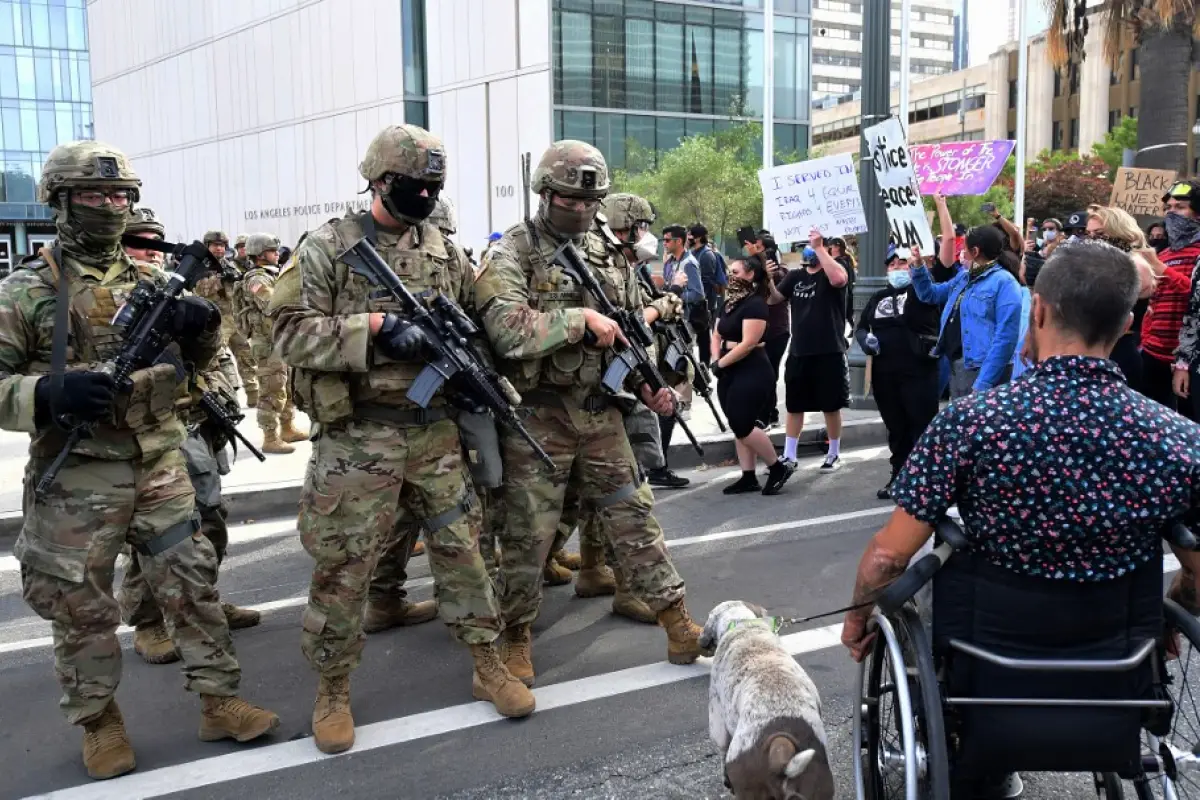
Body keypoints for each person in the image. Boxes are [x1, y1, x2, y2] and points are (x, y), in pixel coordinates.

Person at [842, 240, 1200, 798]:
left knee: (936, 585)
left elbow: (889, 557)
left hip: (987, 663)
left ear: (1037, 310)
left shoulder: (970, 424)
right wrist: (1173, 617)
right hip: (1116, 658)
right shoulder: (1178, 440)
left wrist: (858, 617)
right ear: (1128, 324)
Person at [5, 142, 278, 780]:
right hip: (76, 475)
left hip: (157, 462)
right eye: (94, 196)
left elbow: (206, 365)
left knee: (192, 586)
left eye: (120, 196)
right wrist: (45, 393)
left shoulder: (156, 283)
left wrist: (203, 329)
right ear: (61, 202)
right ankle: (99, 723)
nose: (110, 207)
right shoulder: (25, 291)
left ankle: (219, 701)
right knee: (82, 606)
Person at [271, 125, 535, 753]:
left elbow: (481, 316)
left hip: (435, 434)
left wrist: (485, 377)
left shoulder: (444, 247)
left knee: (463, 552)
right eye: (414, 185)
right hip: (359, 439)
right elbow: (285, 332)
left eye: (433, 188)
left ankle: (486, 663)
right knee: (345, 568)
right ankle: (333, 688)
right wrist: (372, 327)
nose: (424, 195)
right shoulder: (327, 247)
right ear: (379, 182)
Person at [473, 139, 708, 687]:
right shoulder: (512, 252)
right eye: (569, 201)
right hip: (538, 415)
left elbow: (627, 325)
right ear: (545, 194)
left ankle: (678, 623)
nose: (580, 211)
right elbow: (504, 328)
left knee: (635, 517)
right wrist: (576, 320)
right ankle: (515, 638)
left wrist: (648, 383)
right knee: (528, 536)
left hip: (601, 412)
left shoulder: (604, 250)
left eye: (590, 202)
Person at [117, 208, 262, 667]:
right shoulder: (115, 303)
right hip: (142, 434)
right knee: (153, 536)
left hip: (194, 423)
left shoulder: (177, 295)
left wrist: (220, 392)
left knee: (210, 521)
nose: (146, 251)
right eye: (136, 242)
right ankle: (149, 622)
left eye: (152, 241)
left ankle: (204, 600)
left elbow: (216, 356)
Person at [854, 245, 940, 500]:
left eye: (901, 263)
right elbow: (860, 326)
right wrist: (864, 339)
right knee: (896, 427)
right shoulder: (878, 296)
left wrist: (918, 268)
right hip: (885, 373)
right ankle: (899, 475)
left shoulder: (923, 293)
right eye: (891, 265)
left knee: (921, 425)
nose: (896, 269)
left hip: (918, 371)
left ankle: (924, 480)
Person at [711, 257, 795, 495]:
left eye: (735, 271)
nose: (730, 276)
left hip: (752, 369)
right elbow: (716, 334)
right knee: (737, 423)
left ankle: (777, 467)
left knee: (743, 422)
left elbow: (749, 343)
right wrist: (717, 360)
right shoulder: (728, 303)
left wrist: (721, 364)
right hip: (729, 368)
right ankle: (748, 477)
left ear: (750, 275)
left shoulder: (755, 304)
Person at [912, 224, 1022, 398]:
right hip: (958, 365)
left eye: (964, 248)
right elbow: (930, 295)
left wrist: (984, 382)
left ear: (975, 251)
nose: (960, 253)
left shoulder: (1005, 282)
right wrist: (918, 267)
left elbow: (1006, 337)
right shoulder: (964, 277)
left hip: (983, 368)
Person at [772, 229, 850, 472]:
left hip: (829, 349)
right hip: (799, 350)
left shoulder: (835, 269)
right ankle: (789, 455)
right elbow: (775, 299)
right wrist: (766, 279)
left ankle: (834, 453)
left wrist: (820, 249)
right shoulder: (796, 276)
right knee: (795, 405)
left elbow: (839, 280)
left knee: (830, 404)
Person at [235, 232, 308, 453]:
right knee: (272, 389)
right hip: (267, 343)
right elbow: (272, 304)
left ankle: (287, 427)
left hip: (280, 339)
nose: (277, 254)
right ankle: (269, 437)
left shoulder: (273, 273)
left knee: (287, 385)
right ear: (259, 254)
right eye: (271, 251)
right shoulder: (256, 278)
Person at [195, 230, 258, 408]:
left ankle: (253, 394)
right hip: (215, 320)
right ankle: (228, 395)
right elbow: (200, 291)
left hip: (234, 317)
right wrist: (219, 280)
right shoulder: (200, 266)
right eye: (215, 245)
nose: (219, 249)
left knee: (246, 356)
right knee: (218, 360)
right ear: (207, 246)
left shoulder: (230, 265)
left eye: (222, 246)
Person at [751, 231, 790, 429]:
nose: (753, 252)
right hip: (761, 332)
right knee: (765, 374)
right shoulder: (755, 272)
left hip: (776, 332)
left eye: (758, 248)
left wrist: (767, 276)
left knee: (768, 374)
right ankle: (771, 413)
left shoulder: (781, 272)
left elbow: (773, 297)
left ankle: (765, 416)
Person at [662, 224, 710, 368]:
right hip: (673, 318)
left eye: (667, 240)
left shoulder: (689, 263)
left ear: (679, 241)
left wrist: (676, 295)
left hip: (686, 320)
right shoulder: (671, 262)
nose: (664, 243)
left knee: (684, 359)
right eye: (663, 240)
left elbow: (698, 294)